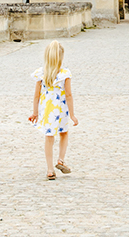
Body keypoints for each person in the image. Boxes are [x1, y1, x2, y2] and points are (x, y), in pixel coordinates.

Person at [28, 39, 78, 179]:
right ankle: (60, 160)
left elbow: (36, 96)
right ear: (61, 57)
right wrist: (72, 115)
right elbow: (68, 95)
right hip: (61, 110)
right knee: (64, 133)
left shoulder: (41, 73)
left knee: (49, 138)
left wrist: (35, 112)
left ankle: (50, 169)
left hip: (48, 110)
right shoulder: (64, 74)